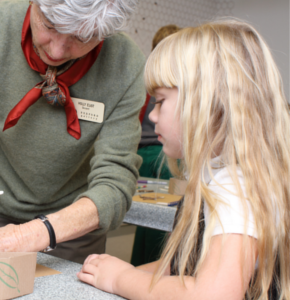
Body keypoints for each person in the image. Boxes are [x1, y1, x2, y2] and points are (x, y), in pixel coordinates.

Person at [0, 0, 145, 274]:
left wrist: (28, 236)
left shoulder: (126, 63)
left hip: (70, 229)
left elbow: (115, 184)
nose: (56, 50)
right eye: (50, 25)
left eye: (81, 37)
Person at [78, 19, 289, 299]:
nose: (152, 115)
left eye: (161, 101)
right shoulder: (215, 173)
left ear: (206, 103)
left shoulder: (236, 187)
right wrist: (126, 275)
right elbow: (184, 268)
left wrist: (121, 279)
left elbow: (212, 295)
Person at [131, 24, 180, 267]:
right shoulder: (151, 81)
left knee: (152, 220)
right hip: (154, 156)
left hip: (154, 155)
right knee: (156, 221)